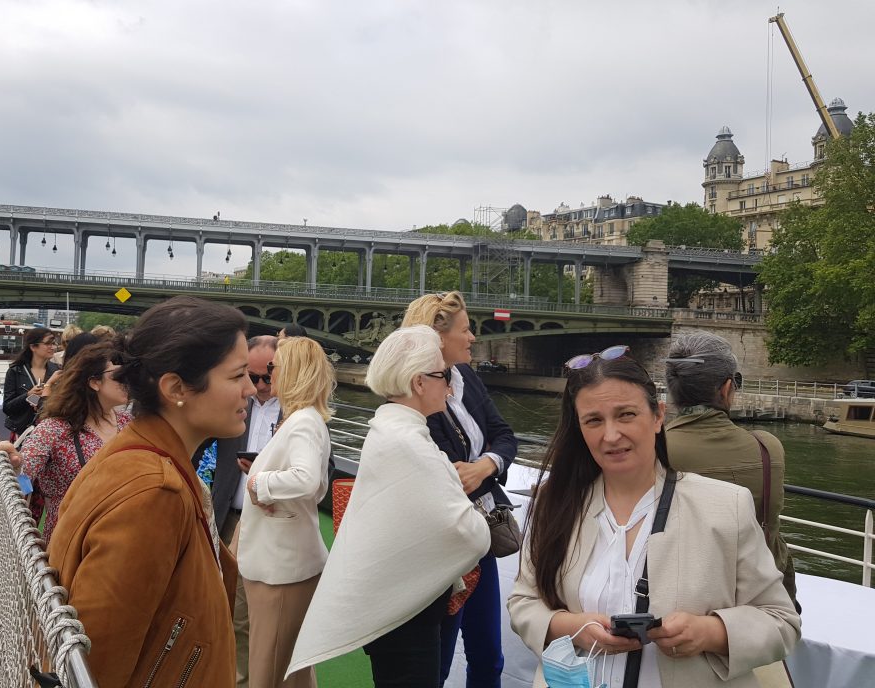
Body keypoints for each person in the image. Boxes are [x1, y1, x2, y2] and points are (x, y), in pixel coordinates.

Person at [507, 347, 800, 688]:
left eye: (626, 415)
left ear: (658, 416)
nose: (611, 435)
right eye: (594, 420)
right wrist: (573, 629)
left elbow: (781, 620)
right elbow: (524, 602)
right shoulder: (554, 505)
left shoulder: (726, 505)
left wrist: (710, 632)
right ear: (579, 429)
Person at [47, 296, 252, 687]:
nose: (250, 390)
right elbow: (99, 665)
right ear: (176, 387)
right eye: (237, 375)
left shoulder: (133, 456)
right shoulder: (156, 493)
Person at [288, 326, 490, 687]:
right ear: (418, 383)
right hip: (406, 613)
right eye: (443, 375)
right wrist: (479, 523)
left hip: (394, 606)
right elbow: (467, 533)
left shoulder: (389, 429)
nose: (450, 383)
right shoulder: (408, 441)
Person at [402, 290, 518, 688]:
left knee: (488, 653)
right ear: (438, 338)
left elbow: (504, 435)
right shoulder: (411, 396)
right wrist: (475, 468)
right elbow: (441, 469)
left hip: (480, 534)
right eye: (466, 330)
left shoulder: (466, 376)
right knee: (439, 654)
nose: (472, 338)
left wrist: (485, 464)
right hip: (443, 544)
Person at [664, 331, 799, 610]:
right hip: (757, 604)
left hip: (679, 605)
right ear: (726, 388)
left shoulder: (653, 451)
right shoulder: (767, 448)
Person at [237, 336, 333, 688]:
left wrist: (259, 484)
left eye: (273, 368)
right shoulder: (306, 419)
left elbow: (307, 480)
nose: (266, 375)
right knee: (290, 668)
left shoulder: (303, 422)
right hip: (284, 562)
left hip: (281, 568)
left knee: (269, 667)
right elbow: (317, 485)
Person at [0, 341, 131, 542]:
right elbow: (24, 484)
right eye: (120, 376)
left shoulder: (129, 424)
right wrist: (16, 466)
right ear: (94, 382)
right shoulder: (54, 429)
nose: (128, 381)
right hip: (73, 541)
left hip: (126, 534)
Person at [209, 334, 280, 688]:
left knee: (249, 616)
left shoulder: (300, 412)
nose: (260, 386)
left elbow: (322, 472)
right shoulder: (232, 400)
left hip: (271, 522)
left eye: (268, 376)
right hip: (227, 518)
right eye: (252, 377)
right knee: (221, 609)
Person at [1, 327, 60, 439]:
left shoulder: (57, 371)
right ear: (33, 347)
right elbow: (7, 407)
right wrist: (27, 395)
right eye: (48, 343)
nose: (53, 347)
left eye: (54, 343)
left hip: (50, 433)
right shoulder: (16, 371)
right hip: (23, 433)